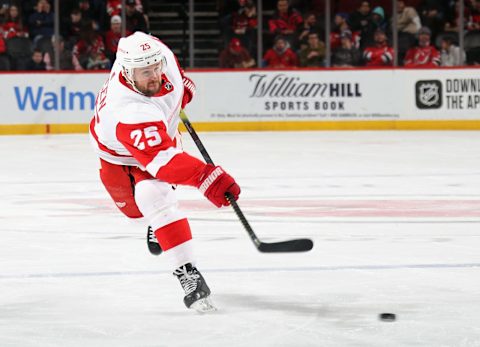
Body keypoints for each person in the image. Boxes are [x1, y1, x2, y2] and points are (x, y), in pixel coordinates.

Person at [89, 31, 240, 312]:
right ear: (127, 71)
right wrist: (208, 178)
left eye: (156, 67)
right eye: (145, 72)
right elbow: (166, 163)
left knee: (154, 198)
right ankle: (153, 223)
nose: (155, 75)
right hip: (116, 156)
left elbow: (157, 48)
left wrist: (181, 84)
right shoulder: (129, 108)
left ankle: (188, 274)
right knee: (136, 213)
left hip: (160, 141)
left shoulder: (159, 56)